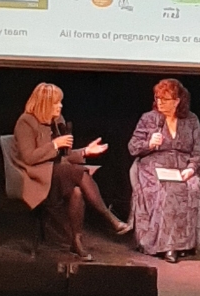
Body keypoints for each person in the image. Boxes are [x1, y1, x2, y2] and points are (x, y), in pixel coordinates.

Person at [13, 83, 130, 261]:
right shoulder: (26, 122)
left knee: (77, 190)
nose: (60, 106)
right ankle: (110, 218)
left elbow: (65, 157)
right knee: (79, 173)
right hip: (35, 178)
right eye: (55, 103)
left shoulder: (57, 121)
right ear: (44, 103)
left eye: (60, 102)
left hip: (58, 174)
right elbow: (28, 157)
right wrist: (54, 144)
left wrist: (85, 152)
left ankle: (77, 242)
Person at [128, 79, 200, 263]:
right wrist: (149, 144)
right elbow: (133, 147)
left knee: (193, 188)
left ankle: (186, 244)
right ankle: (166, 246)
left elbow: (199, 150)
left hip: (182, 166)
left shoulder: (191, 120)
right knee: (167, 191)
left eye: (165, 99)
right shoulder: (149, 118)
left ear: (177, 101)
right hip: (154, 166)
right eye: (157, 98)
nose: (160, 102)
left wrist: (191, 168)